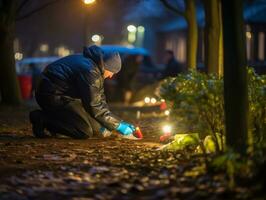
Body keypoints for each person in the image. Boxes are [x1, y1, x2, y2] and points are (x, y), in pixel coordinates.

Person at [29, 45, 135, 139]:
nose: (111, 76)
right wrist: (118, 126)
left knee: (97, 128)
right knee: (84, 131)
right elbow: (94, 105)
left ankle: (58, 123)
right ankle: (42, 118)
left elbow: (99, 99)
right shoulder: (90, 72)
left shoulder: (93, 65)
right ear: (106, 66)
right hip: (52, 96)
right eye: (112, 72)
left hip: (61, 94)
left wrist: (118, 122)